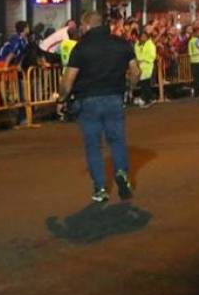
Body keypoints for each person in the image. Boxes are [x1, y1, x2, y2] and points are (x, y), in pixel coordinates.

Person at [55, 10, 140, 204]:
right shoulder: (122, 44)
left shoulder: (81, 47)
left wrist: (61, 99)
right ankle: (121, 172)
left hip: (88, 101)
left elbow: (68, 80)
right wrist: (130, 88)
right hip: (114, 98)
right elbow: (136, 72)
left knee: (93, 145)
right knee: (117, 140)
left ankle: (100, 188)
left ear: (86, 25)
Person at [133, 29, 156, 108]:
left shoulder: (150, 45)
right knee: (144, 84)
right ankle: (149, 98)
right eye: (141, 36)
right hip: (140, 65)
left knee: (145, 83)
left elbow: (152, 55)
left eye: (144, 36)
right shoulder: (137, 45)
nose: (143, 38)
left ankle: (147, 99)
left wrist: (142, 59)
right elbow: (136, 54)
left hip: (147, 65)